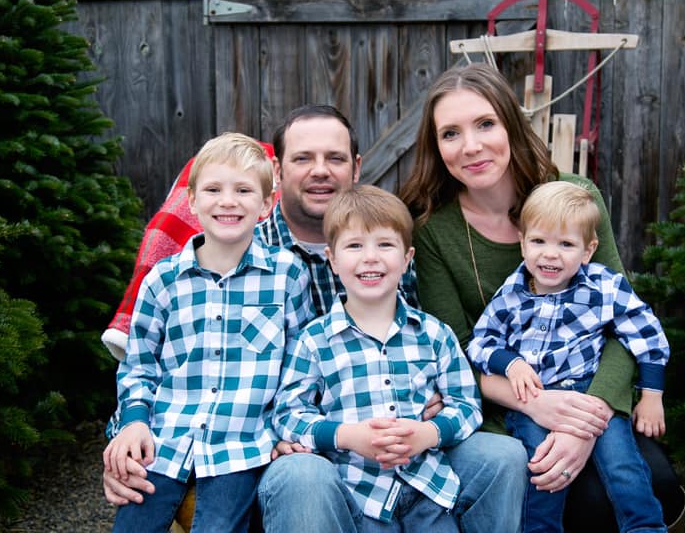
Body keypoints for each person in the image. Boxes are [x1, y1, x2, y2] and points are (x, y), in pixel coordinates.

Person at [104, 105, 528, 533]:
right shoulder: (243, 238)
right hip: (294, 449)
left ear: (356, 167)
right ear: (277, 172)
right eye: (303, 159)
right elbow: (156, 365)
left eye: (336, 158)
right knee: (302, 476)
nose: (320, 171)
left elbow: (445, 364)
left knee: (502, 457)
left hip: (405, 444)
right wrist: (124, 437)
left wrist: (429, 413)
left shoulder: (393, 246)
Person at [398, 63, 683, 530]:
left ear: (510, 124)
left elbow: (621, 322)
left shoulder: (573, 198)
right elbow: (455, 353)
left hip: (591, 394)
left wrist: (589, 417)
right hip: (506, 407)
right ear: (437, 148)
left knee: (651, 484)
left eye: (485, 124)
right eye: (451, 133)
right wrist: (533, 403)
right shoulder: (433, 231)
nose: (471, 146)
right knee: (563, 494)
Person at [103, 132, 312, 533]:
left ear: (267, 203)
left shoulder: (287, 276)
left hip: (241, 448)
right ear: (193, 202)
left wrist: (286, 429)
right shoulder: (163, 281)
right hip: (163, 443)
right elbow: (139, 365)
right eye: (213, 189)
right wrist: (132, 422)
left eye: (244, 190)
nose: (228, 201)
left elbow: (298, 368)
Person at [273, 185, 483, 532]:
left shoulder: (435, 335)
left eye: (385, 244)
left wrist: (429, 432)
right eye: (355, 245)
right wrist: (345, 435)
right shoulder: (314, 341)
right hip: (357, 494)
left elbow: (467, 404)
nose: (370, 257)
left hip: (428, 491)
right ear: (333, 260)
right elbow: (288, 414)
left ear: (407, 258)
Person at [467, 180, 669, 532]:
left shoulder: (604, 287)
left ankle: (646, 528)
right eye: (539, 241)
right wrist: (510, 363)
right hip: (534, 395)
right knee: (542, 467)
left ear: (588, 250)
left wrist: (652, 395)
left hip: (589, 392)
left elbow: (646, 333)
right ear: (522, 242)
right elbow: (481, 343)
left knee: (623, 466)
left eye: (566, 244)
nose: (550, 254)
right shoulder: (511, 296)